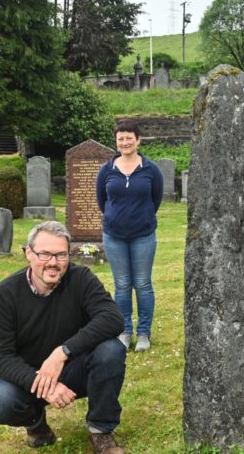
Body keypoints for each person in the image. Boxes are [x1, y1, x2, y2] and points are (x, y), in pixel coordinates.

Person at [0, 221, 126, 453]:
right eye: (45, 254)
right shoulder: (6, 293)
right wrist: (42, 384)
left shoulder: (80, 278)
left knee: (111, 350)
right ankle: (36, 423)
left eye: (61, 255)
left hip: (75, 368)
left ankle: (101, 431)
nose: (53, 263)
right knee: (0, 400)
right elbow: (1, 356)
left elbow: (113, 318)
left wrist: (62, 352)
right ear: (28, 253)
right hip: (31, 376)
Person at [96, 118, 163, 352]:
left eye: (129, 138)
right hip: (114, 236)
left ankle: (144, 332)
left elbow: (156, 199)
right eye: (120, 138)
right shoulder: (107, 170)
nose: (125, 142)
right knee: (122, 285)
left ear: (138, 140)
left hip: (143, 235)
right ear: (116, 141)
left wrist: (140, 217)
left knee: (143, 284)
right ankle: (124, 331)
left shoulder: (150, 169)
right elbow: (102, 202)